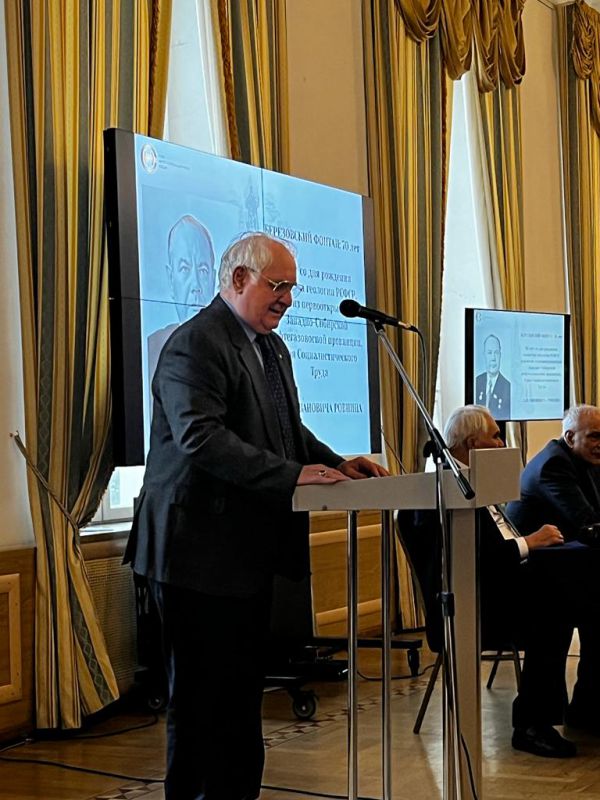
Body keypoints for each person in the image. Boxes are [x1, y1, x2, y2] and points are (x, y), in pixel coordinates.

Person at [126, 232, 388, 800]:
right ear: (239, 278)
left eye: (292, 288)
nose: (287, 299)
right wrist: (294, 475)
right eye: (278, 285)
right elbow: (202, 438)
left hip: (244, 554)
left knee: (240, 697)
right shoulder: (195, 343)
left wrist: (336, 463)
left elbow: (286, 431)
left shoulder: (272, 347)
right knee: (201, 701)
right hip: (194, 553)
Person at [401, 405, 600, 758]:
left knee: (585, 599)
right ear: (472, 443)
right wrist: (529, 542)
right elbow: (470, 561)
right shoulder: (442, 492)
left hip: (502, 588)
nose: (502, 443)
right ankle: (531, 726)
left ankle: (587, 705)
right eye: (495, 436)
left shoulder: (472, 482)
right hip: (472, 606)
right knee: (555, 611)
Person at [507, 404, 600, 541]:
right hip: (540, 549)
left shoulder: (586, 458)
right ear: (570, 438)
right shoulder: (554, 465)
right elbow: (587, 522)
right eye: (595, 436)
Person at [147, 215, 217, 383]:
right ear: (171, 280)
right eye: (185, 269)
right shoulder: (150, 348)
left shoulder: (235, 348)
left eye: (203, 270)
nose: (196, 285)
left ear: (213, 280)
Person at [475, 333, 511, 420]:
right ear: (484, 355)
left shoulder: (508, 386)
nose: (493, 358)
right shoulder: (477, 382)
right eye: (489, 353)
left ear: (500, 355)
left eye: (496, 353)